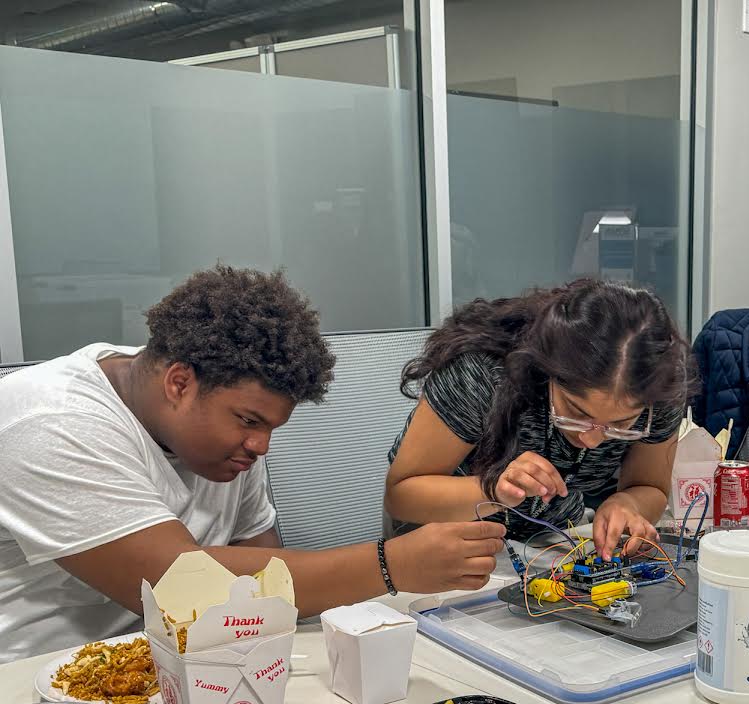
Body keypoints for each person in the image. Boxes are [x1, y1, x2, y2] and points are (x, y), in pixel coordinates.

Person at [0, 265, 503, 664]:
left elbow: (267, 586)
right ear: (179, 382)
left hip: (190, 666)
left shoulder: (223, 440)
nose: (260, 446)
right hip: (38, 688)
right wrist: (392, 564)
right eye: (248, 421)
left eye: (270, 428)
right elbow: (179, 588)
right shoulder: (49, 421)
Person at [385, 278, 693, 561]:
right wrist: (493, 489)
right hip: (438, 541)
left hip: (550, 542)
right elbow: (402, 495)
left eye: (621, 424)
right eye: (577, 412)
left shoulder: (658, 388)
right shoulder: (481, 372)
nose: (592, 439)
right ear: (547, 370)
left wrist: (628, 504)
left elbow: (649, 487)